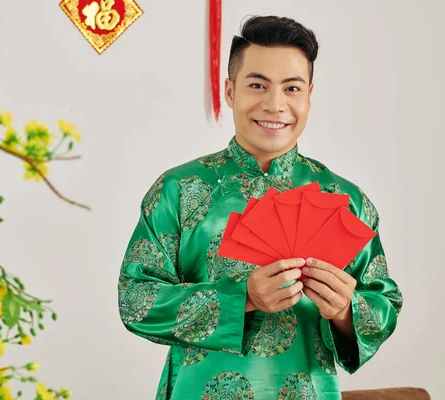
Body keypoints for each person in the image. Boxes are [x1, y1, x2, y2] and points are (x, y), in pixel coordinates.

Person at [117, 15, 402, 399]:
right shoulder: (179, 190)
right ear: (230, 91)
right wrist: (243, 297)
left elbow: (385, 302)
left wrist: (346, 310)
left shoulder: (344, 200)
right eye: (258, 85)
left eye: (292, 88)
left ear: (309, 96)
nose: (275, 104)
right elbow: (135, 300)